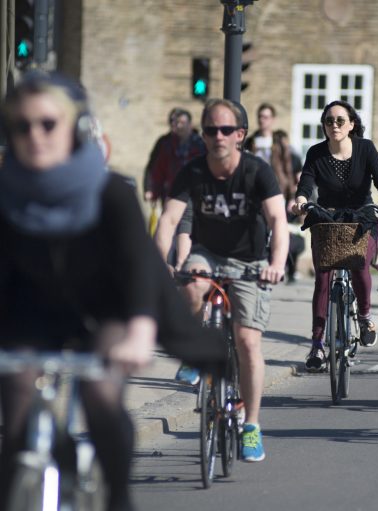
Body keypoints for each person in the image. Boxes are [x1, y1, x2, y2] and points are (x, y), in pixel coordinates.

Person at [0, 72, 222, 511]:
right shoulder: (6, 191)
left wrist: (140, 330)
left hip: (104, 312)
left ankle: (117, 498)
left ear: (78, 128)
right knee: (18, 404)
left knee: (101, 394)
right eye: (22, 126)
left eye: (48, 124)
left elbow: (139, 268)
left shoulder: (110, 193)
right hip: (29, 312)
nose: (35, 136)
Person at [155, 98, 288, 463]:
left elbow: (277, 220)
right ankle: (196, 349)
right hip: (208, 254)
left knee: (247, 342)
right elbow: (169, 220)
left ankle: (251, 426)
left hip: (250, 260)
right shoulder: (193, 172)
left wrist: (276, 263)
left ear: (240, 135)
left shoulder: (257, 171)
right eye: (211, 130)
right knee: (191, 284)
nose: (218, 136)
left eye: (226, 130)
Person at [292, 100, 378, 371]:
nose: (334, 125)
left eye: (340, 120)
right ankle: (316, 346)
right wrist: (300, 200)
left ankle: (364, 316)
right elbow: (306, 181)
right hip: (328, 218)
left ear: (351, 124)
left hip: (361, 217)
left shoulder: (365, 148)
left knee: (360, 265)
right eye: (329, 121)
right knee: (323, 279)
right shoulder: (316, 152)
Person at [143, 107, 206, 203]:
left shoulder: (201, 144)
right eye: (176, 123)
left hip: (195, 195)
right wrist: (151, 190)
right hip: (171, 195)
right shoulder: (166, 144)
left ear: (190, 124)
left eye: (182, 123)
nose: (178, 126)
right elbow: (157, 169)